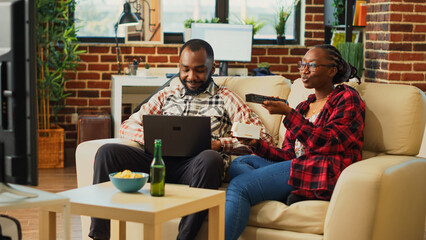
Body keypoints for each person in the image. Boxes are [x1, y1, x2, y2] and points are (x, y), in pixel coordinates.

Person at [89, 39, 273, 240]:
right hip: (157, 161)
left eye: (199, 70)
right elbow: (127, 125)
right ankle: (99, 236)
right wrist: (152, 139)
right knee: (107, 152)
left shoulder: (227, 97)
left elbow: (262, 138)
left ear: (213, 68)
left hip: (196, 168)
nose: (191, 77)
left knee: (211, 158)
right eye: (185, 69)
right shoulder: (167, 94)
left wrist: (220, 144)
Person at [224, 44, 366, 240]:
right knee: (241, 162)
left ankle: (286, 190)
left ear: (332, 71)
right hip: (299, 166)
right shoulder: (303, 106)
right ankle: (295, 191)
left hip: (322, 169)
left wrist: (288, 114)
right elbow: (289, 156)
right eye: (302, 64)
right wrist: (255, 144)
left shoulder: (347, 98)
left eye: (313, 65)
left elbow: (328, 142)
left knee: (240, 187)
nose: (304, 71)